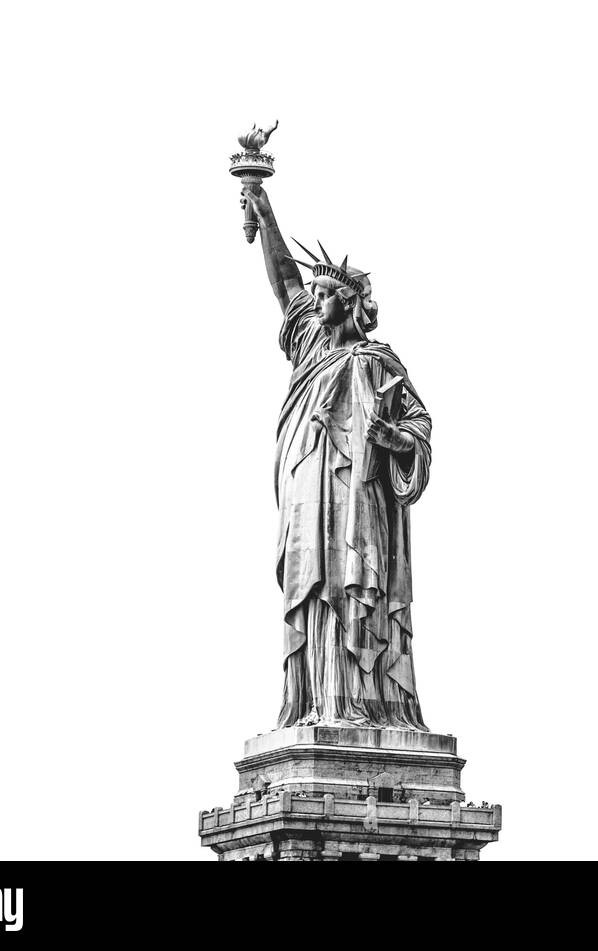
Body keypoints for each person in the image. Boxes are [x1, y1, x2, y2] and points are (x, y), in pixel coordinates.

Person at [241, 183, 431, 731]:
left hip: (358, 497)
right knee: (313, 592)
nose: (315, 304)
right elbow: (285, 284)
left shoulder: (376, 363)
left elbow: (420, 426)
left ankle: (364, 703)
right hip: (308, 492)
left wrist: (395, 440)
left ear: (346, 304)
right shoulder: (311, 348)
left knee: (353, 587)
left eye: (325, 296)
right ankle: (313, 702)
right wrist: (261, 201)